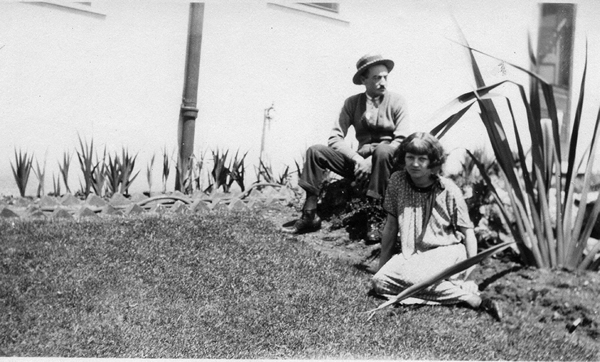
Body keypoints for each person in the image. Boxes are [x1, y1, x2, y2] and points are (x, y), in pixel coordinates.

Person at [370, 132, 502, 321]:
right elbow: (391, 227)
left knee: (410, 277)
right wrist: (382, 267)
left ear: (433, 162)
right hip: (413, 254)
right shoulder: (397, 181)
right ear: (403, 158)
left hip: (446, 251)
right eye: (410, 157)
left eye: (422, 159)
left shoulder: (448, 189)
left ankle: (475, 300)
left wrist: (470, 276)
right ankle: (458, 293)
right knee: (380, 281)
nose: (415, 164)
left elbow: (468, 233)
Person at [283, 53, 411, 242]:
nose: (383, 82)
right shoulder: (352, 103)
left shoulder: (397, 101)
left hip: (387, 165)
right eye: (377, 77)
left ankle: (375, 218)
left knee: (382, 151)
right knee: (315, 151)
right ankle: (310, 214)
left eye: (385, 77)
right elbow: (335, 138)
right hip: (359, 165)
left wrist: (373, 161)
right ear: (363, 79)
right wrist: (359, 160)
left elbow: (402, 139)